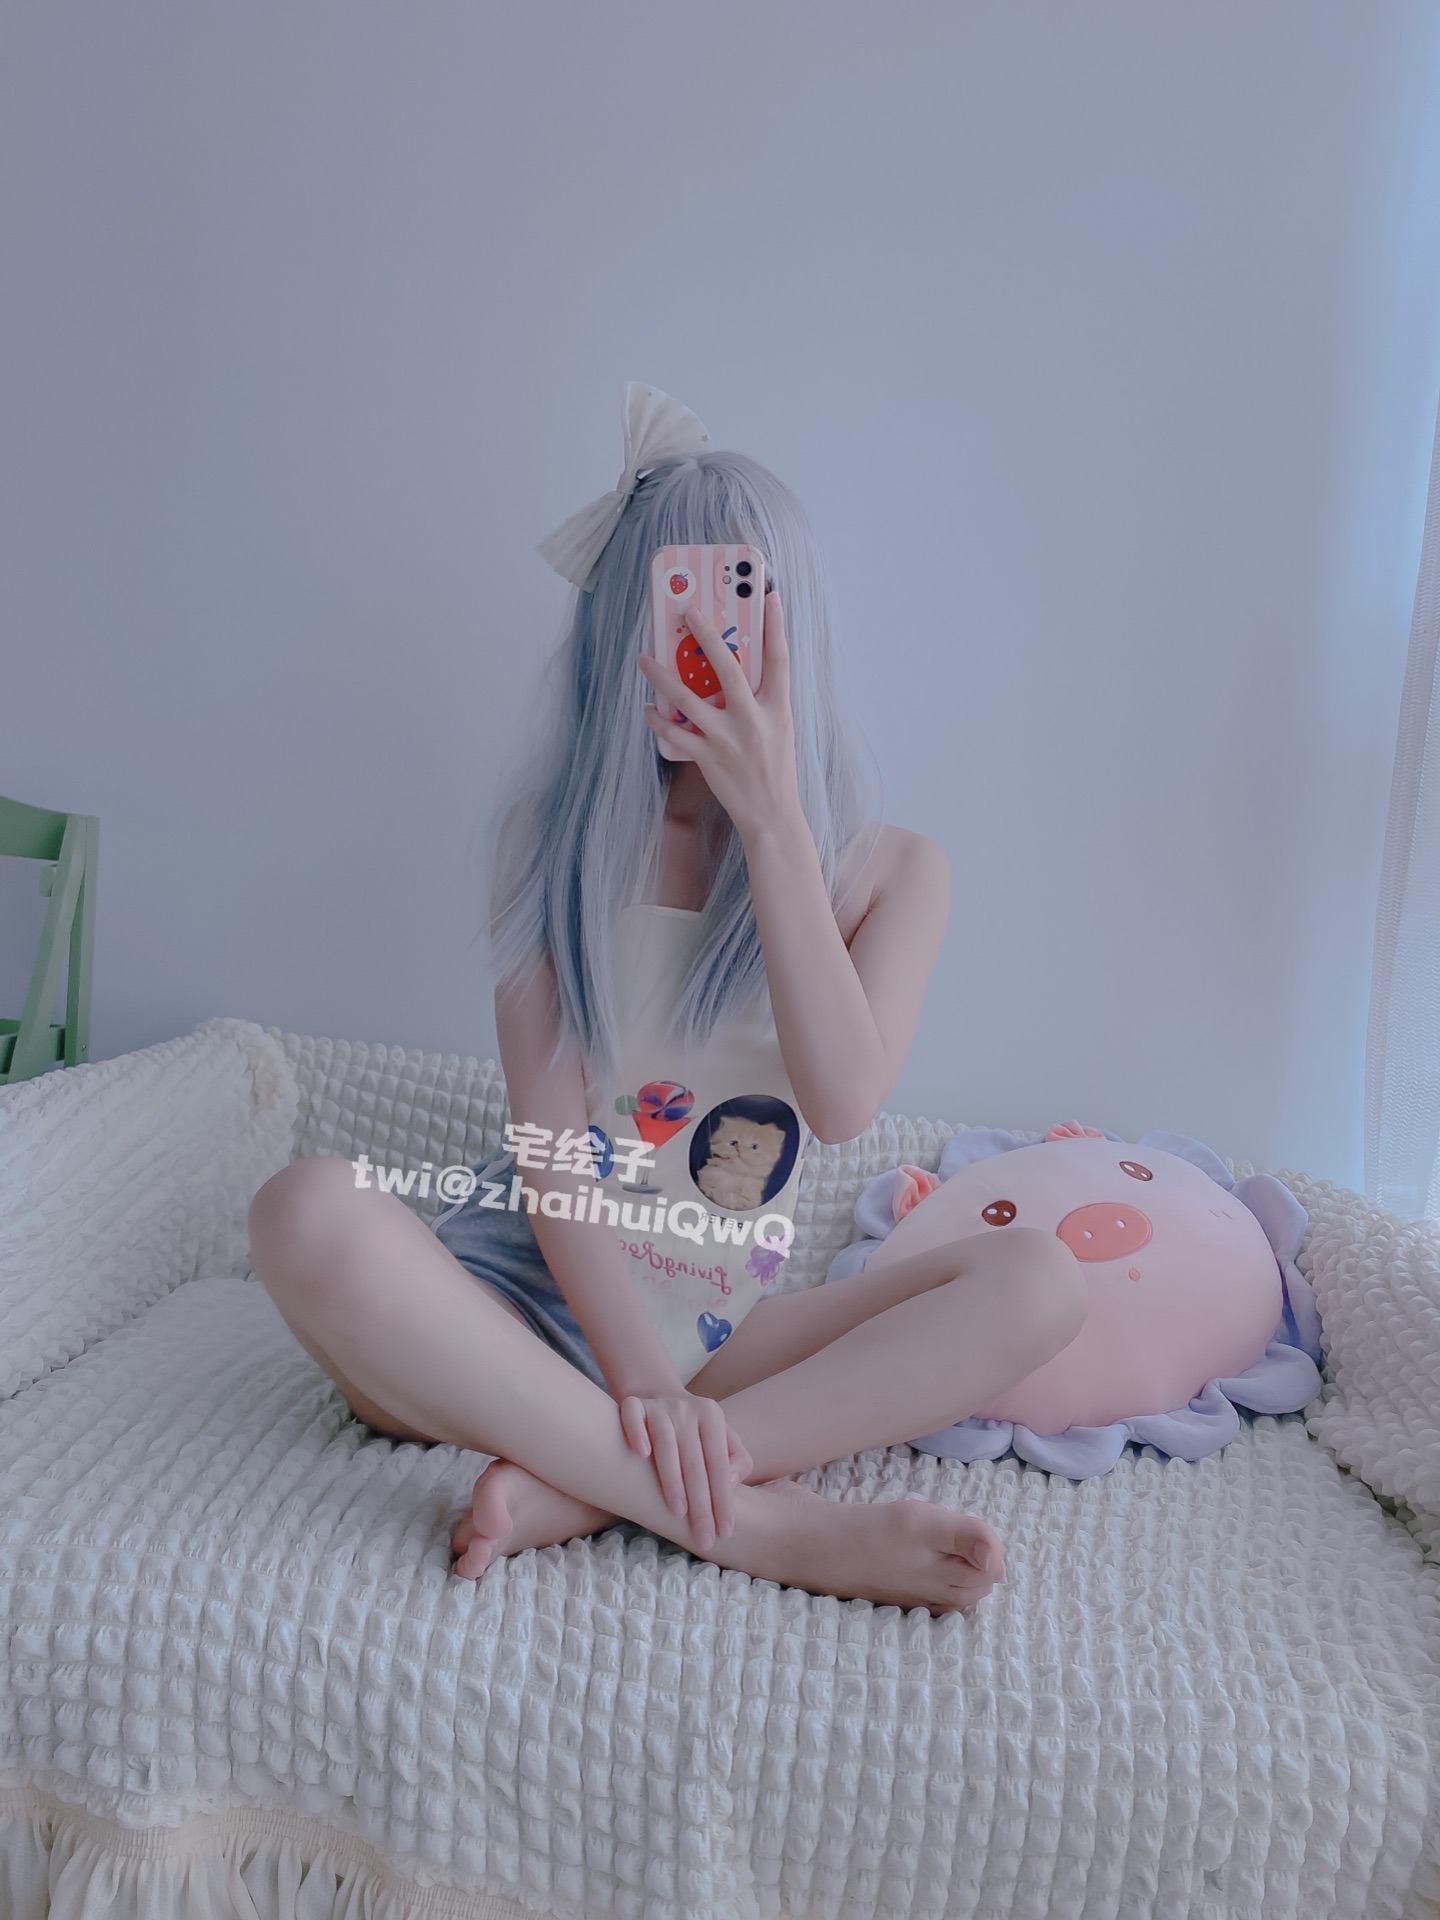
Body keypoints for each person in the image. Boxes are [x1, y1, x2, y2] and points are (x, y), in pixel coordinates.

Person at [248, 383, 1087, 1617]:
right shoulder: (551, 839)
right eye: (672, 598)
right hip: (501, 1318)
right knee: (305, 1208)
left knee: (1041, 1281)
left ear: (792, 623)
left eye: (738, 600)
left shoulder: (895, 872)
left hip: (715, 1327)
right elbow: (549, 1161)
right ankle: (764, 1528)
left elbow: (844, 1101)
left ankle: (588, 1489)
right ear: (617, 626)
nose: (705, 640)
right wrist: (639, 1388)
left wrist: (775, 825)